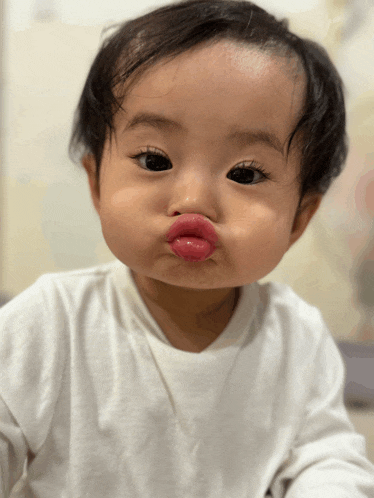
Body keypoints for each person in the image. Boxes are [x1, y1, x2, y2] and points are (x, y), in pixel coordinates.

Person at [1, 0, 374, 495]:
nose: (194, 200)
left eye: (245, 173)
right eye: (155, 160)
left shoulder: (295, 338)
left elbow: (327, 458)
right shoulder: (50, 322)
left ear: (299, 219)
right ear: (96, 184)